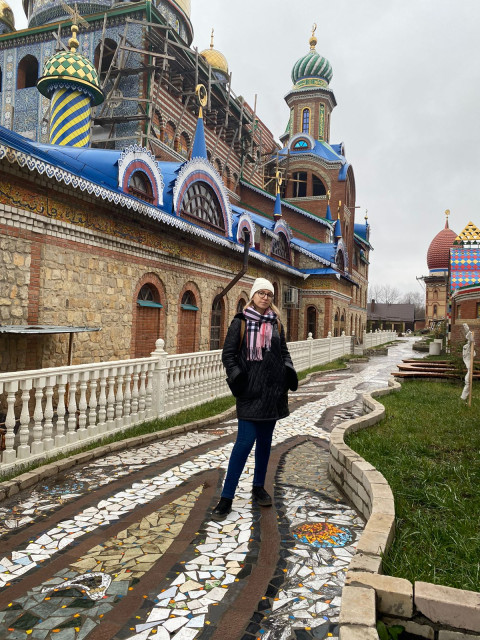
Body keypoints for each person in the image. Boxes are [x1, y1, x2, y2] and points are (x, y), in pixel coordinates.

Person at [212, 277, 298, 521]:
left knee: (264, 443)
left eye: (268, 294)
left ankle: (258, 487)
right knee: (244, 442)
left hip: (272, 394)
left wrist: (288, 373)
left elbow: (284, 353)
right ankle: (226, 497)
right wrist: (239, 378)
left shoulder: (276, 324)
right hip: (250, 393)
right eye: (260, 293)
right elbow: (228, 355)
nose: (265, 297)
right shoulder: (240, 322)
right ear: (253, 296)